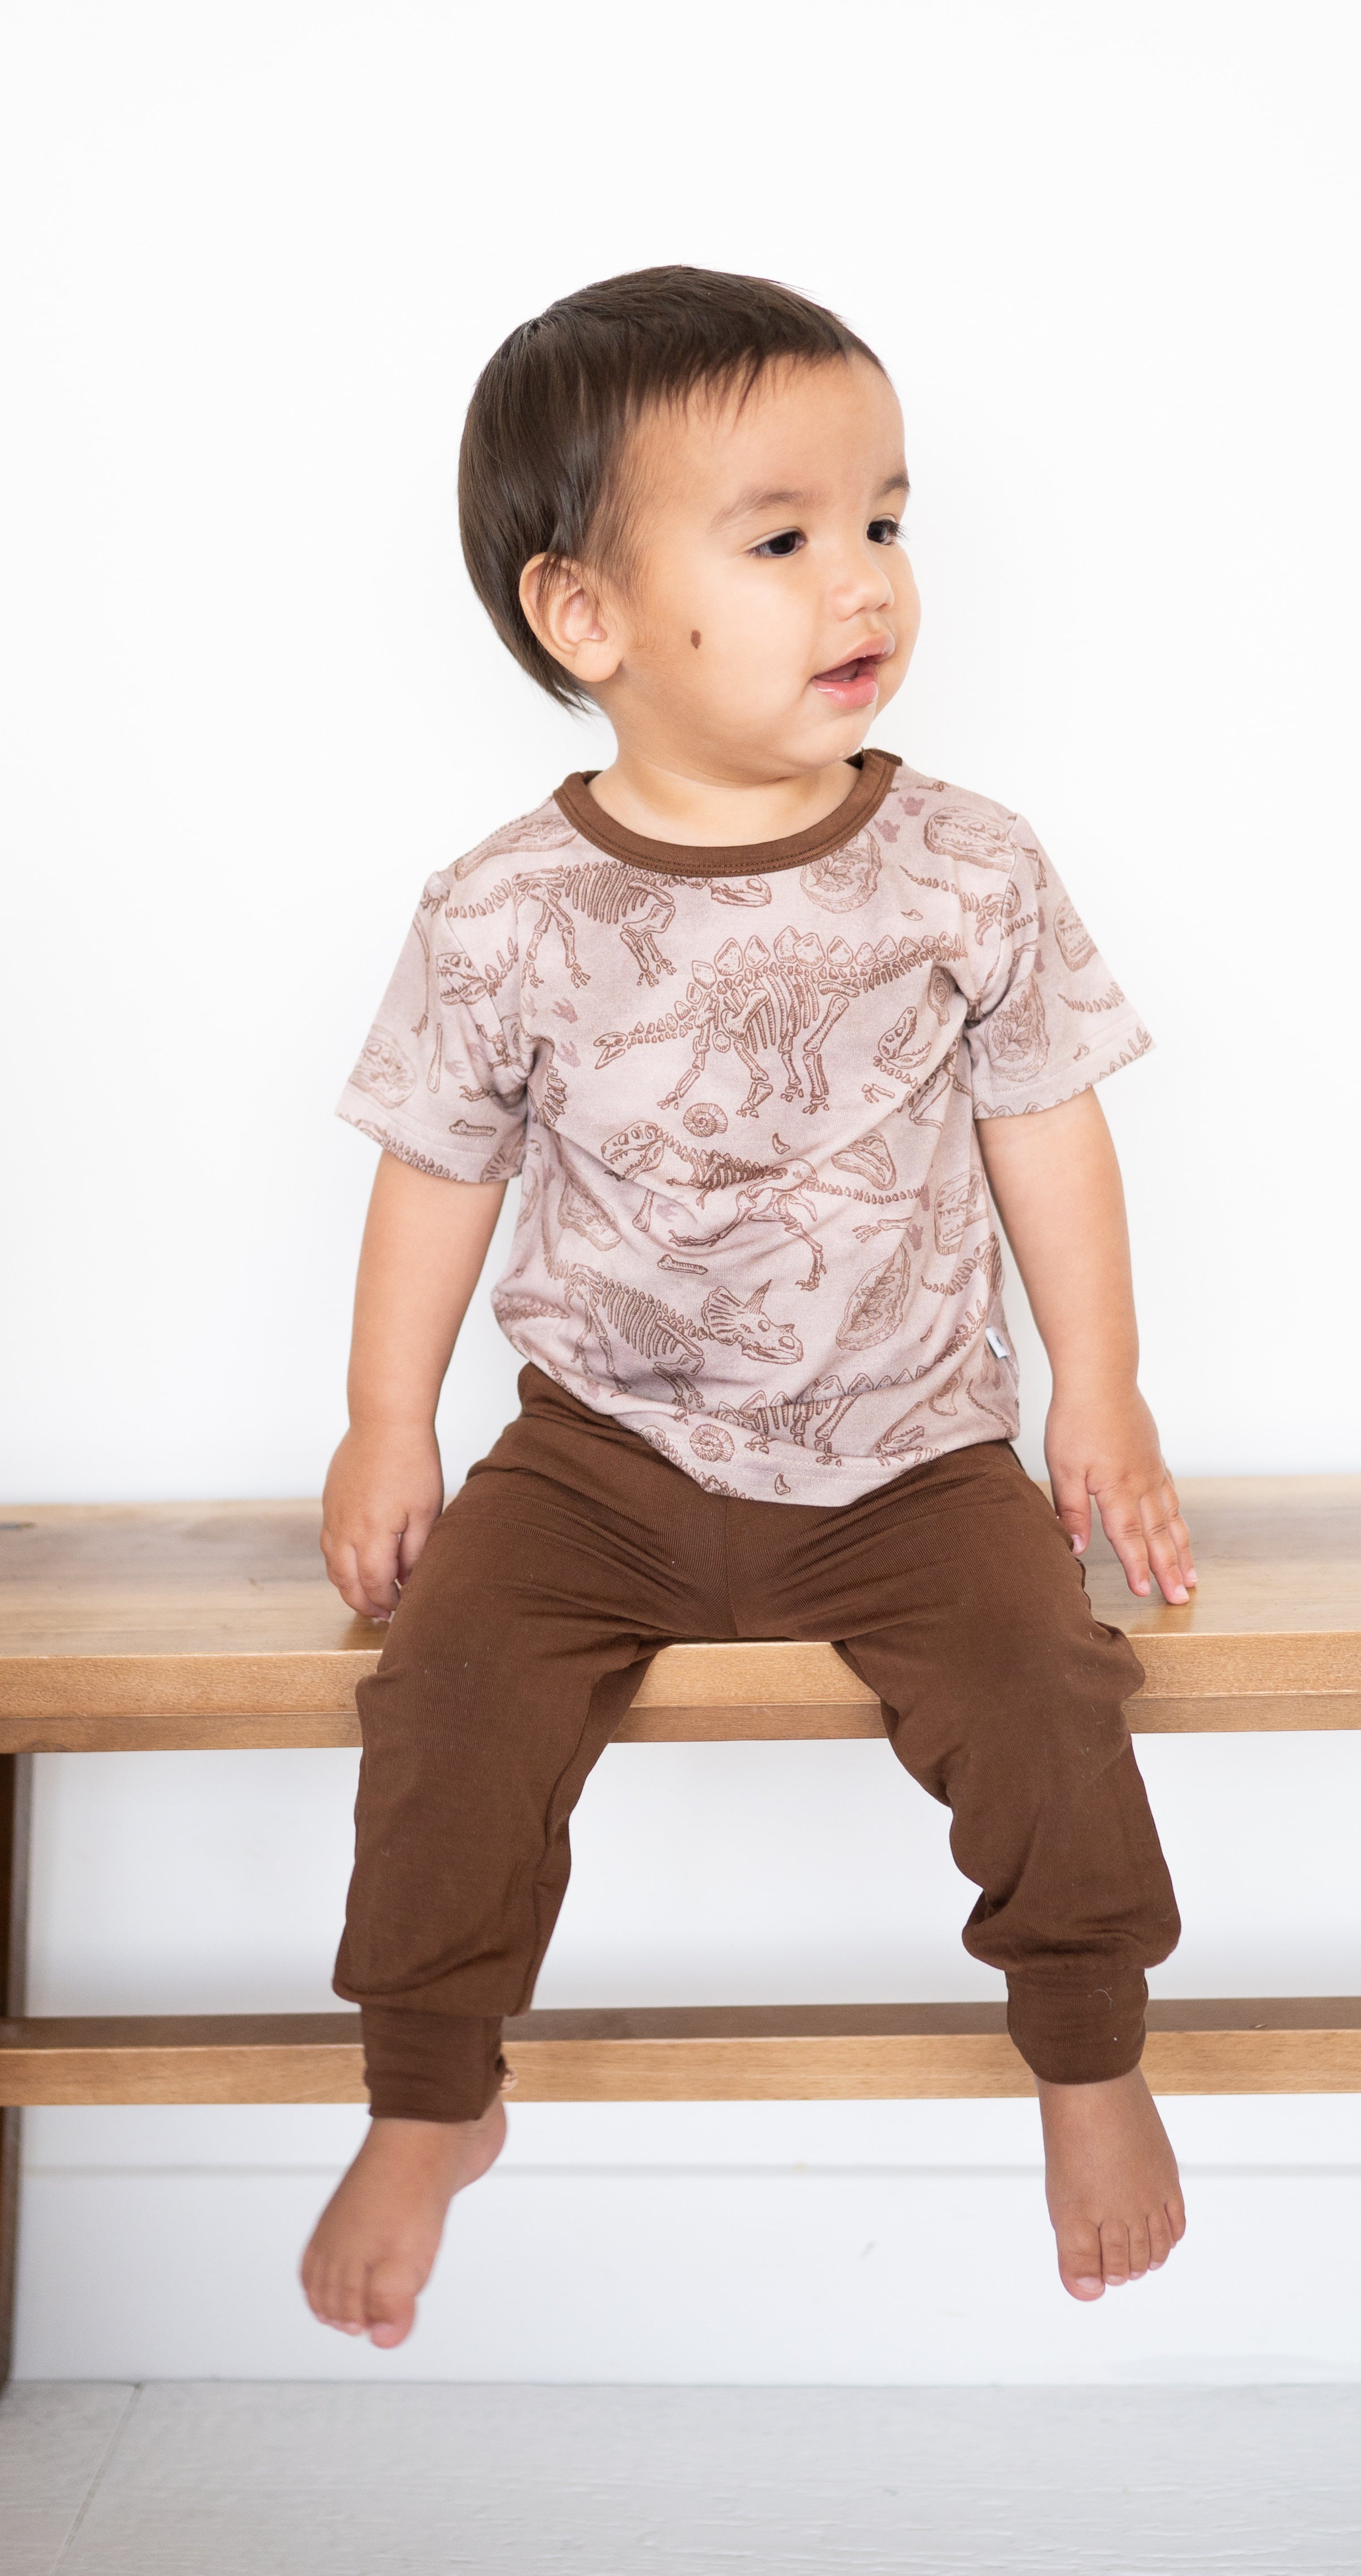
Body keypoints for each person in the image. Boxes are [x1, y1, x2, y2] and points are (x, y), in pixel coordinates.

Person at [301, 265, 1196, 2350]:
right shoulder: (505, 911)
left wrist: (1103, 1396)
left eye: (883, 519)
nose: (860, 578)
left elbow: (1046, 1131)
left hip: (909, 1455)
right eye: (781, 538)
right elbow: (438, 1166)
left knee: (1048, 1698)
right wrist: (381, 1420)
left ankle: (1086, 2054)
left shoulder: (965, 871)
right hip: (598, 1457)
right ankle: (432, 2092)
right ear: (586, 619)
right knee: (443, 1704)